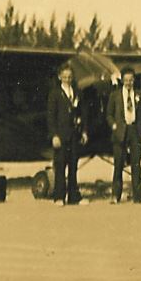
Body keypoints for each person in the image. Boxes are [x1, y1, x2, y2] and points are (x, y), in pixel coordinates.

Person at [107, 66, 141, 203]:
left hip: (135, 131)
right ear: (122, 80)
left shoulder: (140, 94)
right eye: (126, 80)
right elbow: (109, 114)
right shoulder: (115, 95)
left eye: (131, 80)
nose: (128, 83)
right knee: (118, 164)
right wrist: (113, 125)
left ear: (134, 80)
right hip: (120, 131)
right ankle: (115, 195)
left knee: (136, 164)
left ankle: (138, 196)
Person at [46, 64, 86, 205]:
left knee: (73, 166)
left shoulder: (77, 92)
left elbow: (82, 113)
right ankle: (59, 197)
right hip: (61, 136)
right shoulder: (55, 94)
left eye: (69, 77)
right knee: (60, 165)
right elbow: (50, 116)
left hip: (74, 134)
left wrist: (84, 132)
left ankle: (74, 196)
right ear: (59, 77)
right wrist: (54, 135)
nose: (67, 79)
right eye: (64, 77)